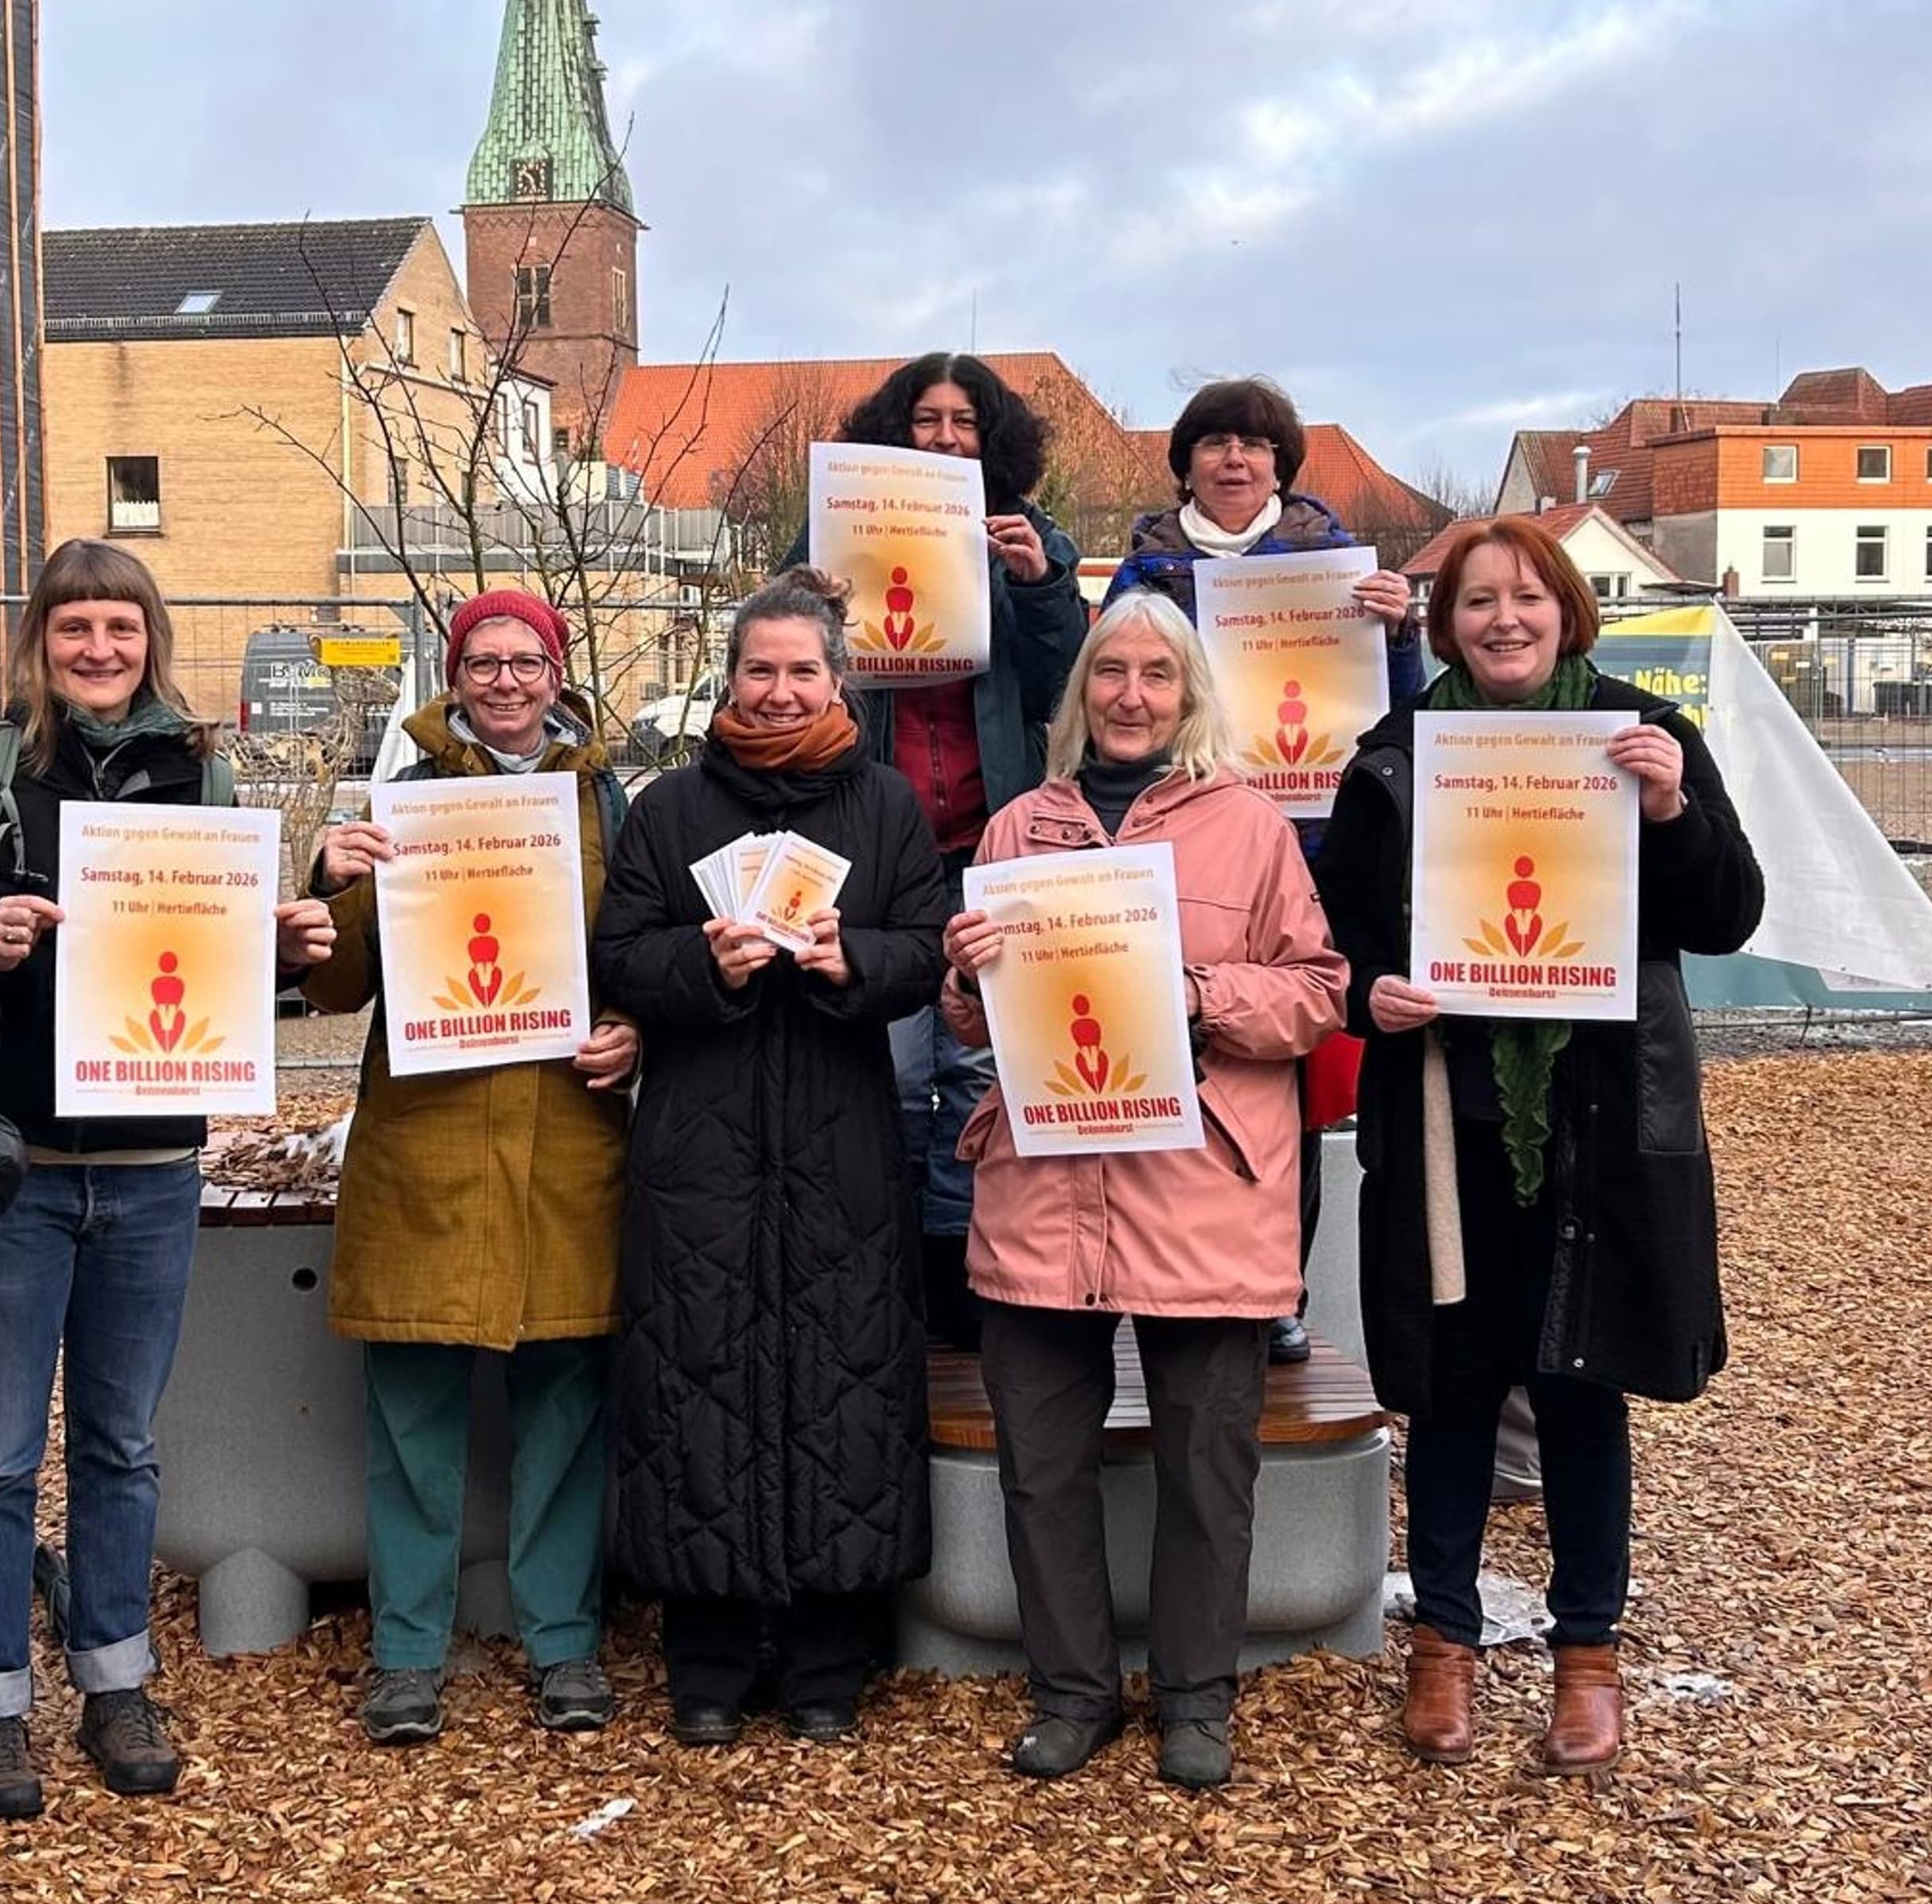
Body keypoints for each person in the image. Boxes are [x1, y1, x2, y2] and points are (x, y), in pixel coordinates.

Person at [1311, 515, 1762, 1776]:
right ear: (1442, 623)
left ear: (1568, 609)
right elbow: (1339, 934)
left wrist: (1672, 811)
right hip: (1451, 1114)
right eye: (1474, 603)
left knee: (1579, 1377)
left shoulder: (1643, 734)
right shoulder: (1396, 755)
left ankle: (1587, 1655)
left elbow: (1727, 916)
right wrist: (1372, 996)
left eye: (1526, 598)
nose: (1502, 620)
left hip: (1600, 1113)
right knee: (1454, 1383)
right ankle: (1443, 1642)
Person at [0, 540, 334, 1821]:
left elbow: (228, 983)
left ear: (152, 640)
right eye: (76, 628)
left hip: (152, 1163)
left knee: (123, 1442)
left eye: (122, 629)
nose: (100, 650)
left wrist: (293, 954)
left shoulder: (202, 778)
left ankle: (114, 1677)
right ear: (38, 640)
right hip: (12, 1166)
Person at [938, 591, 1345, 1790]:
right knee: (1042, 1462)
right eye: (1109, 674)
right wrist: (966, 981)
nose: (1129, 695)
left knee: (1207, 1465)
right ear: (1080, 698)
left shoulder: (1251, 828)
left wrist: (1199, 993)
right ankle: (1072, 1693)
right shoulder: (1019, 828)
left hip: (1201, 1189)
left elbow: (1318, 992)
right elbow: (978, 1024)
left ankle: (1194, 1698)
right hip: (1043, 1190)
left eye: (1155, 677)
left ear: (1188, 696)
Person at [591, 567, 948, 1743]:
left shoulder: (887, 803)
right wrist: (706, 970)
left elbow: (927, 950)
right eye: (760, 671)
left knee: (840, 1378)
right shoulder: (671, 809)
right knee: (698, 1372)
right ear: (727, 680)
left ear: (837, 678)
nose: (782, 691)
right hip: (699, 1142)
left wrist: (858, 964)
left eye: (803, 671)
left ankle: (824, 1662)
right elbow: (619, 957)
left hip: (844, 1141)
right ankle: (705, 1658)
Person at [301, 590, 640, 1746]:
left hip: (564, 1138)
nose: (503, 681)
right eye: (481, 663)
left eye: (525, 660)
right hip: (430, 1144)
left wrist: (635, 1028)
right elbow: (338, 986)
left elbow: (636, 953)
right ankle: (406, 1654)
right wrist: (329, 876)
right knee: (414, 1414)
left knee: (564, 1411)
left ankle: (564, 1643)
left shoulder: (606, 802)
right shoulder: (400, 805)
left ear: (558, 672)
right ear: (454, 681)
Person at [1106, 375, 1421, 1365]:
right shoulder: (1146, 569)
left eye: (1255, 445)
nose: (1235, 461)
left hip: (1316, 848)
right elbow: (1110, 685)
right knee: (1172, 1055)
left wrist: (1400, 631)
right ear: (1187, 461)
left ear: (1282, 462)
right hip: (1188, 840)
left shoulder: (1336, 563)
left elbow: (1393, 711)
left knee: (1295, 1075)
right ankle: (1153, 1274)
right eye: (1215, 444)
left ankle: (1278, 1282)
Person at [800, 352, 1088, 1349]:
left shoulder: (1032, 538)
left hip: (987, 840)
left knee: (976, 1071)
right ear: (898, 428)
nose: (945, 439)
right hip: (878, 850)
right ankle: (879, 1276)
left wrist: (1043, 586)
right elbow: (786, 670)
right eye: (927, 419)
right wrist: (812, 598)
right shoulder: (838, 528)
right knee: (884, 1064)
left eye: (966, 421)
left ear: (993, 437)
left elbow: (1072, 682)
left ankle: (961, 1277)